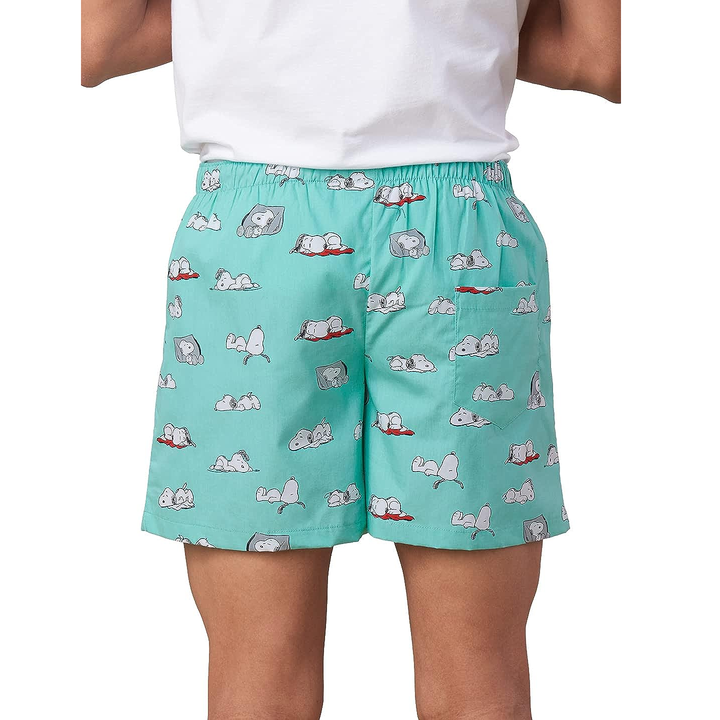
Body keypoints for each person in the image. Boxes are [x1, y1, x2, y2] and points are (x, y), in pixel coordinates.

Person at [82, 2, 620, 718]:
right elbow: (594, 54)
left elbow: (103, 42)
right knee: (477, 687)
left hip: (256, 240)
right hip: (456, 231)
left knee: (258, 687)